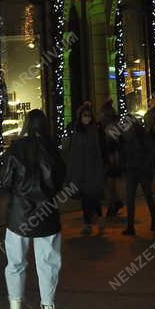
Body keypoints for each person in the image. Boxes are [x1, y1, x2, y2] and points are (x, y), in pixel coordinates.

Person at [1, 109, 69, 309]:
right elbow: (60, 181)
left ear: (27, 124)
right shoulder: (53, 149)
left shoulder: (16, 148)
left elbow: (6, 180)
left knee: (15, 264)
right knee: (48, 265)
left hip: (19, 216)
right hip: (47, 215)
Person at [65, 101, 105, 235]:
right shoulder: (77, 131)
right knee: (86, 198)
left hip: (92, 170)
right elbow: (73, 152)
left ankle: (92, 219)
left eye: (88, 115)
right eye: (84, 115)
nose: (86, 118)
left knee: (91, 197)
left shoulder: (95, 131)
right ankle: (88, 222)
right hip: (80, 171)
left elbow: (99, 152)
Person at [120, 114, 155, 236]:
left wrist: (146, 164)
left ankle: (154, 221)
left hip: (142, 170)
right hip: (132, 169)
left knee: (148, 196)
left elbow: (152, 151)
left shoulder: (142, 135)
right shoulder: (126, 136)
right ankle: (130, 226)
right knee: (130, 198)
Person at [98, 99, 124, 216]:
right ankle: (115, 202)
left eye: (102, 114)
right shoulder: (115, 125)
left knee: (108, 183)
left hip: (111, 158)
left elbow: (112, 144)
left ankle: (112, 204)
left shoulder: (110, 127)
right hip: (114, 158)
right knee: (110, 183)